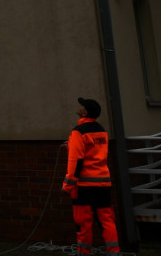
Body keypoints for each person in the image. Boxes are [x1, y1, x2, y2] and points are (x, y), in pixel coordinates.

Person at [62, 97, 120, 254]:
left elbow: (76, 160)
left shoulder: (78, 132)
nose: (79, 107)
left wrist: (69, 183)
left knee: (83, 223)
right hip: (103, 184)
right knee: (107, 220)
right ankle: (114, 251)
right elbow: (94, 152)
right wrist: (72, 146)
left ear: (85, 112)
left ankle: (84, 252)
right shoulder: (101, 130)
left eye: (81, 106)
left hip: (84, 186)